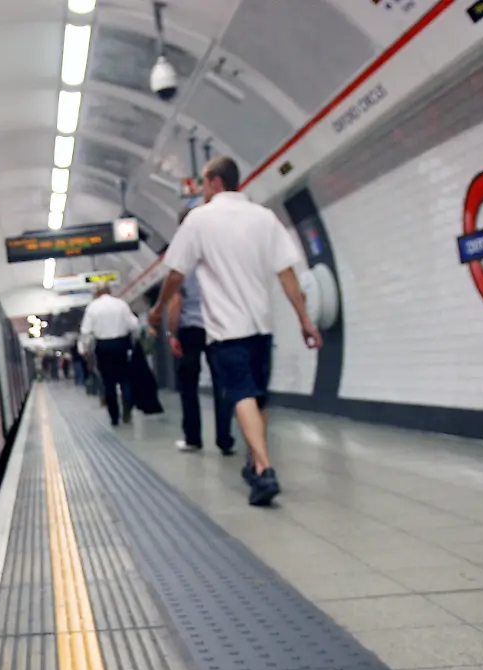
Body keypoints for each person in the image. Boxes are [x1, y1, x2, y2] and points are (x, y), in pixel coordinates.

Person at [148, 156, 322, 506]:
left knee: (241, 393)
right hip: (262, 326)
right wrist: (305, 320)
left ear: (213, 181)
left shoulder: (198, 220)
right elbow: (288, 276)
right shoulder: (264, 217)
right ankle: (255, 466)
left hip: (226, 329)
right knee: (257, 398)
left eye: (202, 183)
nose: (200, 190)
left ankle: (265, 467)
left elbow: (176, 274)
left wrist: (157, 308)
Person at [166, 267, 234, 455]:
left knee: (188, 386)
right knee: (222, 384)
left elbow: (176, 302)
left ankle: (193, 439)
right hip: (218, 329)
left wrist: (171, 333)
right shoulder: (218, 267)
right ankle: (225, 440)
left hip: (190, 330)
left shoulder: (183, 270)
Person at [80, 283, 139, 426]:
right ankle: (127, 410)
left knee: (108, 382)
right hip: (121, 345)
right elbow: (134, 324)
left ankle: (114, 417)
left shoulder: (92, 307)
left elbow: (86, 332)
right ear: (109, 291)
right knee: (125, 379)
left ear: (97, 293)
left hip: (103, 347)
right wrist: (135, 340)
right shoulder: (121, 304)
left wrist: (85, 350)